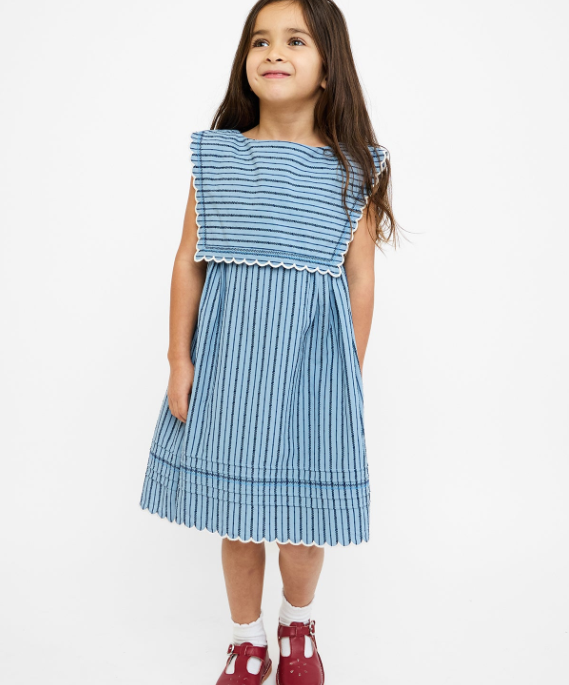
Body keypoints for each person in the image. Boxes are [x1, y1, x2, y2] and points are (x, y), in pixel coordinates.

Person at [139, 0, 399, 682]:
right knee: (238, 516)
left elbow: (360, 279)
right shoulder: (219, 156)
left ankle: (298, 625)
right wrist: (178, 357)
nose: (273, 52)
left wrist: (347, 372)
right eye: (260, 40)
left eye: (295, 41)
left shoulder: (351, 170)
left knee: (304, 522)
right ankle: (247, 638)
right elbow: (188, 258)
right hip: (229, 369)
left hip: (313, 370)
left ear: (328, 67)